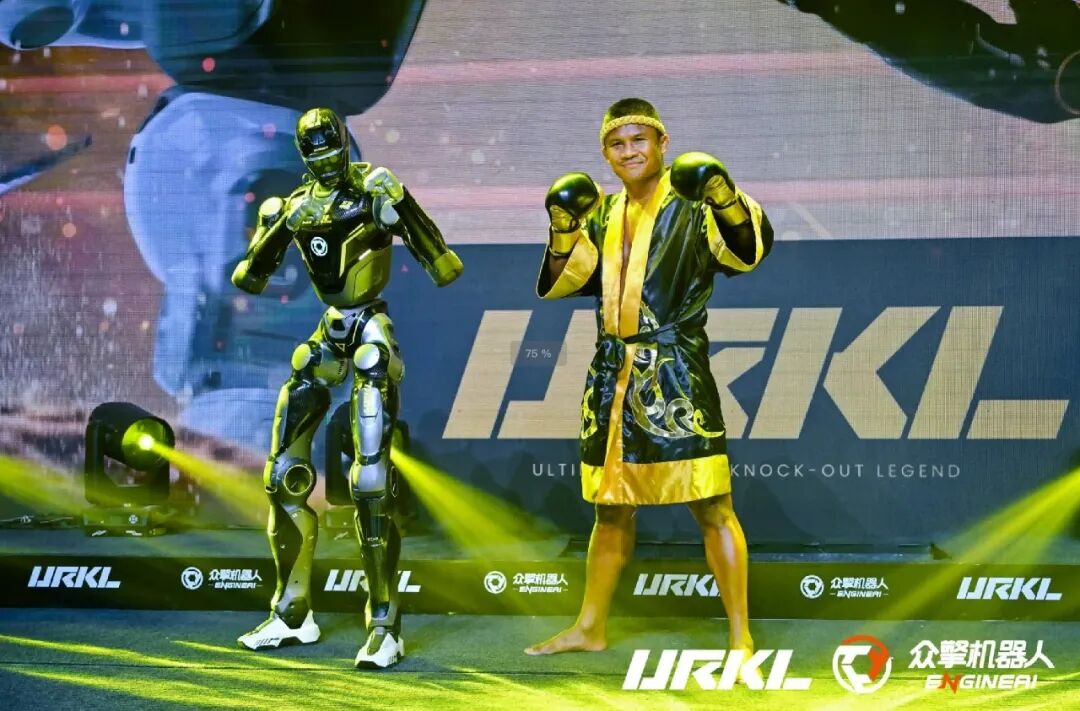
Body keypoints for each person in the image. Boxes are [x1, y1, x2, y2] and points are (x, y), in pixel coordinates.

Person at [525, 98, 773, 661]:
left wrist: (723, 195)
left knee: (712, 504)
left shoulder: (693, 203)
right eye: (617, 144)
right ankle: (590, 627)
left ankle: (741, 639)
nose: (629, 151)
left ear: (663, 143)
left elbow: (747, 253)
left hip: (675, 371)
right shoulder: (602, 213)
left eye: (639, 140)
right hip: (611, 374)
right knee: (610, 508)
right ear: (605, 153)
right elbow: (565, 282)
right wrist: (562, 228)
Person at [232, 107, 463, 668]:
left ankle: (384, 626)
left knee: (371, 481)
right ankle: (292, 612)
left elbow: (443, 263)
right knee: (283, 476)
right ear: (303, 155)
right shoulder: (298, 206)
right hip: (330, 329)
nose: (326, 161)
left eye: (332, 149)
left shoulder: (372, 191)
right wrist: (270, 225)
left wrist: (398, 205)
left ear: (344, 146)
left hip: (370, 330)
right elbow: (250, 277)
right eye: (314, 152)